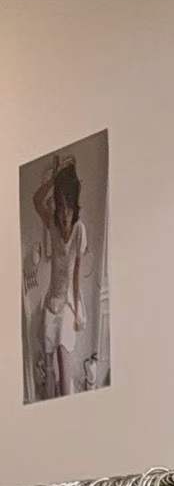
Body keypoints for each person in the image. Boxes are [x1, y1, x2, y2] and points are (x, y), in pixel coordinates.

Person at [32, 156, 86, 399]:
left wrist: (78, 311)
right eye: (61, 206)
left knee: (64, 361)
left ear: (75, 206)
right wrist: (54, 178)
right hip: (51, 303)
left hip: (67, 303)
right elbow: (36, 200)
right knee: (49, 364)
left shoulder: (79, 230)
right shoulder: (52, 225)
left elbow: (76, 274)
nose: (65, 214)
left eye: (69, 207)